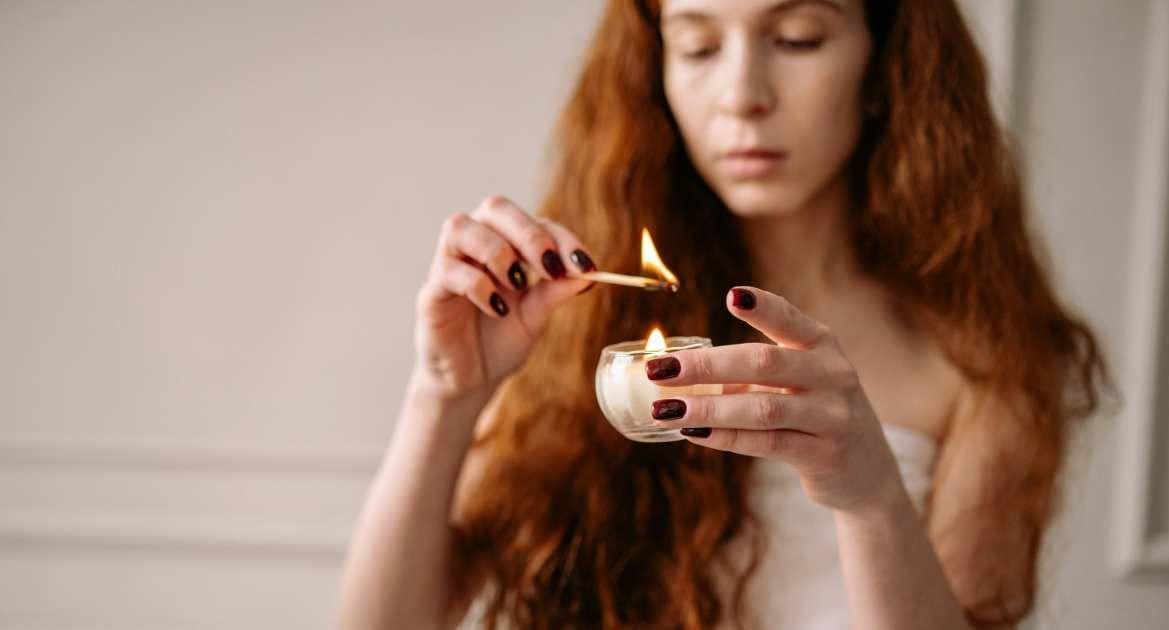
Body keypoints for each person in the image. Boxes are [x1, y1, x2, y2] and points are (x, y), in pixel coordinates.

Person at [335, 0, 1113, 628]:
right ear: (655, 71)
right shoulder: (569, 322)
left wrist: (870, 494)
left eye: (799, 37)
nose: (743, 95)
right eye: (699, 47)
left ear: (887, 64)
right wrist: (444, 395)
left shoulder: (988, 359)